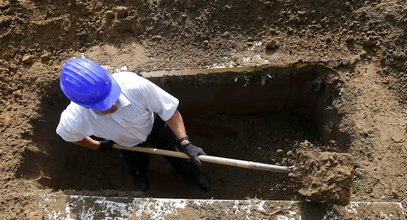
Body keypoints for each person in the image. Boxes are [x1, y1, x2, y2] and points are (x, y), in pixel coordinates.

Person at [56, 58, 210, 191]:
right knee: (137, 165)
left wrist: (185, 141)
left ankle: (192, 174)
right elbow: (70, 136)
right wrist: (97, 145)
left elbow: (169, 111)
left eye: (112, 96)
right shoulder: (74, 119)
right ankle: (140, 176)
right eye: (105, 105)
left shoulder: (133, 85)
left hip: (154, 126)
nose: (114, 105)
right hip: (127, 144)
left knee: (177, 154)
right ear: (85, 105)